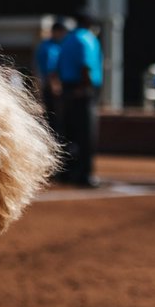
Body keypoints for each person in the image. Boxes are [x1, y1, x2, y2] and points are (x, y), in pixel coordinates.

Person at [55, 12, 102, 187]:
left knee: (69, 132)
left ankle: (67, 172)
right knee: (86, 135)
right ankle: (84, 175)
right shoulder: (86, 38)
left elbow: (57, 67)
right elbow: (86, 66)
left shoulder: (67, 40)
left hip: (67, 90)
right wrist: (85, 88)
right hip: (83, 91)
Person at [35, 17, 69, 141]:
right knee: (55, 119)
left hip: (47, 86)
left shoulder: (48, 45)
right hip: (52, 87)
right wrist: (56, 88)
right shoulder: (51, 47)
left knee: (51, 117)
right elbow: (51, 71)